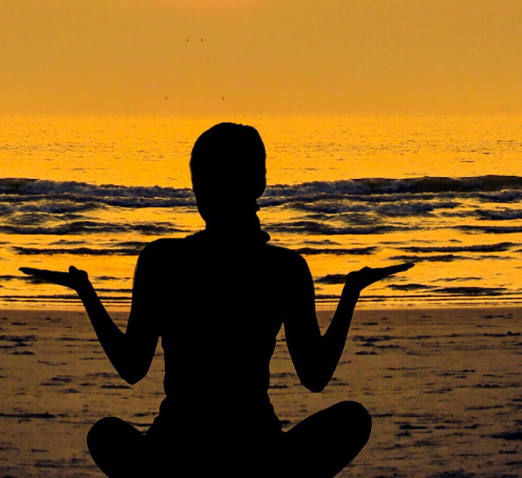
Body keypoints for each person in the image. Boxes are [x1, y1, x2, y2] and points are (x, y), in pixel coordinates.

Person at [22, 122, 412, 478]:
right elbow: (315, 377)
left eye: (201, 180)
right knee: (352, 419)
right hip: (259, 452)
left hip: (173, 451)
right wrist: (350, 295)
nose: (198, 191)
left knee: (106, 434)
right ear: (258, 183)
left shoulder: (162, 259)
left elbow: (131, 367)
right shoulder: (285, 267)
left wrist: (87, 294)